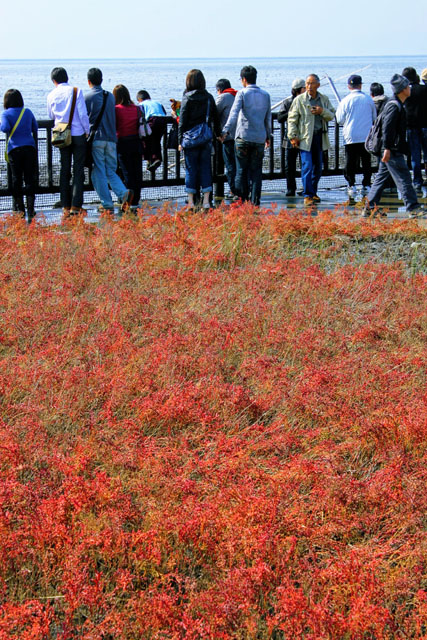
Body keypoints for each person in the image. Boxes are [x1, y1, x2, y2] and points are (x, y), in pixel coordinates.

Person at [363, 74, 423, 218]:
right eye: (407, 86)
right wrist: (387, 149)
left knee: (381, 178)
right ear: (402, 89)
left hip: (391, 148)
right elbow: (387, 129)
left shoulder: (396, 103)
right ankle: (413, 208)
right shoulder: (394, 106)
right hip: (391, 149)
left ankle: (370, 207)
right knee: (403, 178)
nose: (409, 88)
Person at [85, 68, 133, 213]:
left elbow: (83, 118)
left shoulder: (87, 97)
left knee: (98, 170)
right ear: (102, 80)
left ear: (89, 81)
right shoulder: (110, 97)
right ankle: (124, 193)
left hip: (97, 139)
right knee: (110, 170)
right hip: (112, 139)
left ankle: (106, 203)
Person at [222, 65, 271, 206]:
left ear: (244, 79)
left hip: (243, 137)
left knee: (241, 170)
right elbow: (267, 119)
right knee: (256, 171)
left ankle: (241, 199)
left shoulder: (242, 93)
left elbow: (233, 115)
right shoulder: (266, 95)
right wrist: (268, 136)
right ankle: (255, 201)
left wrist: (225, 131)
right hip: (259, 137)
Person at [47, 67, 90, 215]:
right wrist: (87, 130)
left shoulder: (51, 94)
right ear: (67, 78)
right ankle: (76, 206)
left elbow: (51, 115)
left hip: (61, 134)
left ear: (54, 81)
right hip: (78, 134)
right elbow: (83, 114)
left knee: (64, 169)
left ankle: (65, 205)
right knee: (78, 170)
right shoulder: (76, 91)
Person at [287, 74, 335, 206]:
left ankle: (313, 191)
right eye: (307, 84)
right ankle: (308, 194)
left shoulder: (323, 99)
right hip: (305, 138)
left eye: (311, 83)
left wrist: (322, 111)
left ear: (318, 85)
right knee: (307, 166)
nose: (308, 86)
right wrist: (293, 136)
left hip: (319, 137)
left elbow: (332, 115)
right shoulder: (299, 100)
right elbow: (292, 119)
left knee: (318, 167)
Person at [178, 69, 221, 209]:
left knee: (191, 170)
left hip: (190, 140)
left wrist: (180, 141)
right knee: (205, 169)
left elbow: (182, 122)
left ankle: (191, 202)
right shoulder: (209, 97)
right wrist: (219, 134)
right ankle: (207, 201)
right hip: (206, 138)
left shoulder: (187, 98)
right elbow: (215, 118)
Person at [335, 74, 376, 197]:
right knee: (366, 161)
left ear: (349, 86)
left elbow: (339, 120)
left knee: (350, 161)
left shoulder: (345, 101)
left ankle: (351, 184)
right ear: (361, 85)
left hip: (350, 136)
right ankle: (366, 184)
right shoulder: (368, 99)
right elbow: (374, 117)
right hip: (366, 136)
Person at [1, 89, 38, 221]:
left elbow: (4, 128)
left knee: (16, 179)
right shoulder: (27, 112)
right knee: (29, 179)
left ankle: (20, 210)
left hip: (14, 150)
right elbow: (35, 127)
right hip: (29, 148)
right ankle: (31, 209)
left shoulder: (6, 114)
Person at [113, 85, 142, 206]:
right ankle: (136, 198)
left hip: (122, 142)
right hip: (136, 142)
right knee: (137, 171)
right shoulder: (136, 109)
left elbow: (114, 126)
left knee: (126, 172)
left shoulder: (116, 109)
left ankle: (128, 198)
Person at [277, 77, 306, 196]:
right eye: (304, 88)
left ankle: (305, 188)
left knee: (305, 164)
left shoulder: (306, 101)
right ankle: (291, 188)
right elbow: (279, 118)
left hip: (304, 136)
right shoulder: (288, 102)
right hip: (290, 137)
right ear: (298, 90)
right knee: (289, 165)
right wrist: (292, 113)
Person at [401, 67, 427, 192]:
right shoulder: (424, 89)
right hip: (425, 126)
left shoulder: (406, 92)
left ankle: (417, 181)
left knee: (415, 157)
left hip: (411, 127)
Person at [215, 78, 237, 197]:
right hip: (240, 136)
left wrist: (217, 133)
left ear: (219, 89)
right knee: (240, 165)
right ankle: (242, 190)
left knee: (230, 166)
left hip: (227, 137)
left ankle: (233, 191)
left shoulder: (223, 97)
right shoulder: (237, 95)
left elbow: (214, 113)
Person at [136, 90, 168, 173]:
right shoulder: (157, 102)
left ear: (139, 99)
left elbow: (140, 116)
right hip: (163, 121)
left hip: (152, 120)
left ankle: (150, 160)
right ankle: (156, 159)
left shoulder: (141, 104)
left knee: (146, 139)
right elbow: (164, 112)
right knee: (156, 141)